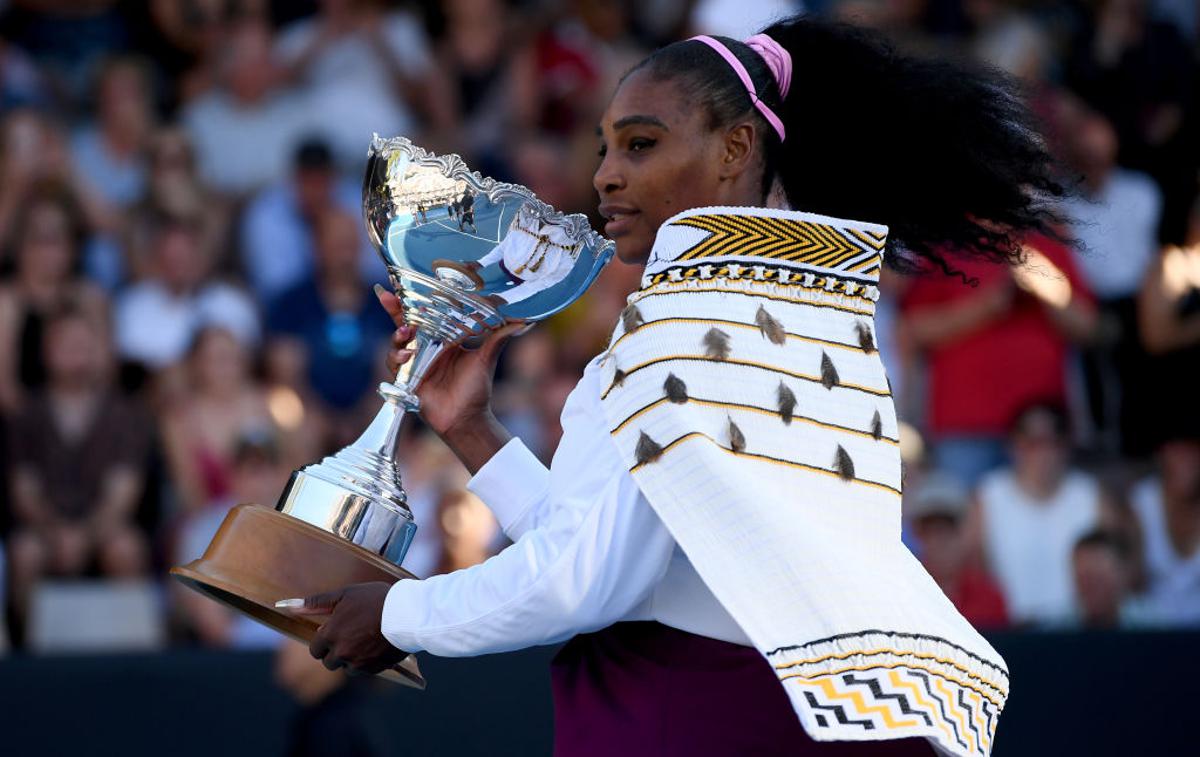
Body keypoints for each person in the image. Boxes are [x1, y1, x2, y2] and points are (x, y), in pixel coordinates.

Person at [286, 16, 1070, 757]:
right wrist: (473, 431)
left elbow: (586, 583)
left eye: (641, 144)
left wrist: (400, 612)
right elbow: (621, 549)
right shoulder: (804, 311)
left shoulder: (683, 331)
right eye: (604, 148)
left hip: (702, 719)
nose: (606, 176)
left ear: (735, 148)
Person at [5, 307, 151, 635]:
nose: (76, 353)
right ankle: (32, 653)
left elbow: (123, 494)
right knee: (24, 553)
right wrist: (56, 533)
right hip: (44, 528)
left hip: (102, 527)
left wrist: (84, 537)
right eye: (66, 344)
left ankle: (131, 651)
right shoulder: (27, 414)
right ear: (47, 351)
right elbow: (24, 491)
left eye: (83, 344)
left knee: (125, 549)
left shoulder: (123, 413)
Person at [965, 403, 1118, 627]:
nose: (1041, 453)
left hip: (1080, 631)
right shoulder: (988, 497)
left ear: (1066, 445)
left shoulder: (1092, 496)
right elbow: (977, 573)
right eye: (1031, 442)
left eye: (1051, 441)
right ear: (1013, 446)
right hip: (1010, 630)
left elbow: (1118, 574)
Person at [904, 472, 1008, 630]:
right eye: (929, 531)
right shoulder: (904, 595)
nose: (939, 541)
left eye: (948, 529)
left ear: (965, 532)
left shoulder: (989, 596)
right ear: (918, 536)